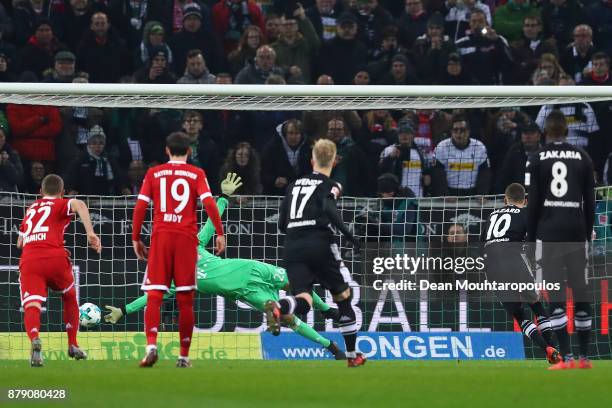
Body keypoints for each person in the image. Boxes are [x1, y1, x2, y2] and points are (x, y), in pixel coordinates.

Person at [105, 173, 346, 360]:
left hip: (251, 269)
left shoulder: (193, 245)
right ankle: (331, 346)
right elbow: (150, 297)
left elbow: (212, 223)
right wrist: (124, 311)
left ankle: (326, 310)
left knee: (297, 283)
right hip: (246, 289)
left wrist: (224, 196)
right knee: (288, 317)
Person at [268, 138, 366, 368]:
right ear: (335, 161)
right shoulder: (331, 185)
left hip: (292, 246)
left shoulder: (293, 185)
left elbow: (282, 223)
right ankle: (352, 355)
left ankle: (280, 307)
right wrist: (349, 235)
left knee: (304, 299)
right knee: (343, 298)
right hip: (319, 243)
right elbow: (328, 207)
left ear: (312, 159)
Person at [131, 132, 225, 368]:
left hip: (162, 237)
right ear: (189, 151)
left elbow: (141, 206)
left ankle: (151, 346)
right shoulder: (196, 173)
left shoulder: (154, 173)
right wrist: (220, 233)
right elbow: (209, 203)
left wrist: (135, 238)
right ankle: (183, 356)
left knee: (154, 294)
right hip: (185, 239)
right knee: (185, 299)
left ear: (166, 150)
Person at [525, 110, 596, 369]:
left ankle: (564, 357)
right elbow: (590, 202)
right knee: (581, 291)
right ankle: (585, 357)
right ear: (566, 131)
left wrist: (531, 240)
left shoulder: (537, 157)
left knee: (554, 294)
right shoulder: (583, 157)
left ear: (545, 132)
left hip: (549, 232)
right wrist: (586, 235)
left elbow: (533, 204)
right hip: (576, 231)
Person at [17, 174, 102, 367]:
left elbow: (20, 242)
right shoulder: (60, 204)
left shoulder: (31, 208)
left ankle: (35, 340)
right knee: (69, 295)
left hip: (30, 259)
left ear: (40, 193)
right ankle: (73, 344)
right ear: (62, 193)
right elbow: (80, 204)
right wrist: (90, 233)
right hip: (55, 257)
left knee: (32, 305)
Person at [481, 183, 561, 364]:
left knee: (519, 314)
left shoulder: (491, 216)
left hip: (492, 266)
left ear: (505, 200)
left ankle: (546, 349)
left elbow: (482, 244)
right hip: (515, 260)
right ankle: (554, 348)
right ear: (525, 200)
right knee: (536, 304)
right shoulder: (526, 213)